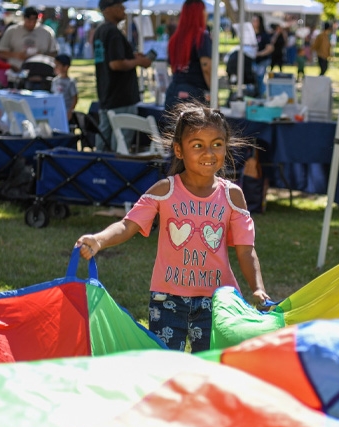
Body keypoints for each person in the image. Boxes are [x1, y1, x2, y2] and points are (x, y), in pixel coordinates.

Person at [75, 102, 270, 352]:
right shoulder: (165, 191)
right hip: (167, 300)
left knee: (208, 369)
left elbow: (246, 250)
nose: (209, 153)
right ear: (179, 150)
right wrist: (99, 239)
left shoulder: (233, 196)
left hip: (218, 300)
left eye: (217, 144)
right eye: (197, 145)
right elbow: (127, 225)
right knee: (166, 367)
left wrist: (258, 288)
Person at [93, 0, 152, 151]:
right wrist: (138, 61)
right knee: (121, 141)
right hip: (121, 96)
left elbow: (110, 58)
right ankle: (115, 168)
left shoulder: (101, 30)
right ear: (108, 10)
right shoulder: (113, 32)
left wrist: (131, 56)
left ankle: (99, 167)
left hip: (107, 93)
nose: (124, 9)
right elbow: (115, 63)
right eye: (119, 6)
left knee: (104, 137)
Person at [164, 0, 211, 111]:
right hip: (194, 95)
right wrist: (214, 92)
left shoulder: (175, 39)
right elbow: (207, 67)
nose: (206, 14)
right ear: (199, 14)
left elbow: (173, 67)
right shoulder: (202, 36)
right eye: (204, 10)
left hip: (174, 91)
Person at [0, 6, 58, 71]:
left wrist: (41, 56)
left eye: (34, 21)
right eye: (29, 21)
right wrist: (16, 55)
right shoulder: (12, 30)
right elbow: (0, 52)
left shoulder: (47, 32)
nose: (31, 24)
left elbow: (54, 52)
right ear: (24, 18)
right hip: (16, 71)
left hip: (41, 71)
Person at [51, 53, 77, 122]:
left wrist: (70, 111)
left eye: (57, 65)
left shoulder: (70, 82)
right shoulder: (55, 81)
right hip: (56, 110)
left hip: (66, 110)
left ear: (66, 67)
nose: (55, 68)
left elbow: (75, 98)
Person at [251, 14, 272, 91]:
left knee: (260, 79)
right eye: (253, 21)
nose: (254, 23)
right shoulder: (251, 35)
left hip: (262, 60)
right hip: (253, 60)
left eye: (256, 21)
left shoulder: (264, 35)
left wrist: (259, 54)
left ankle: (262, 94)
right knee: (253, 79)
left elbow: (270, 48)